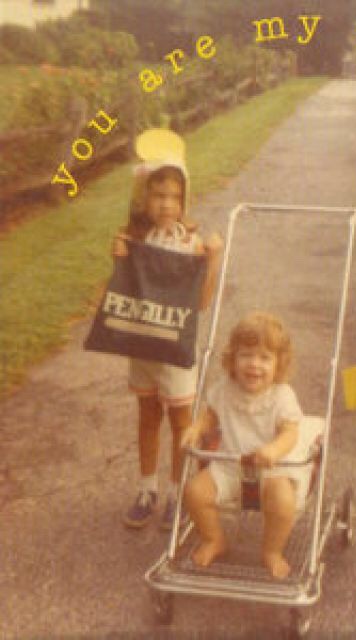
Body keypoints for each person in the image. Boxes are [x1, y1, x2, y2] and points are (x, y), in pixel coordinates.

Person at [114, 152, 223, 531]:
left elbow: (202, 303)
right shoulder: (134, 239)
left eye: (175, 197)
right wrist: (119, 259)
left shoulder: (189, 243)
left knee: (180, 421)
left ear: (184, 200)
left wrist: (211, 261)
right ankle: (147, 490)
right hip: (142, 345)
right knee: (147, 416)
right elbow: (122, 295)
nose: (166, 204)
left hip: (175, 349)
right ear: (143, 197)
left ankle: (178, 493)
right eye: (158, 195)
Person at [181, 312, 304, 579]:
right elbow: (211, 415)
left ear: (279, 364)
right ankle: (214, 539)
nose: (254, 365)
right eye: (246, 355)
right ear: (233, 359)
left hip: (271, 471)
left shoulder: (282, 396)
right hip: (229, 465)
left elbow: (290, 432)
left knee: (284, 504)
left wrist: (274, 449)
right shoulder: (225, 388)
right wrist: (196, 428)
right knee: (194, 492)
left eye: (264, 358)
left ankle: (272, 551)